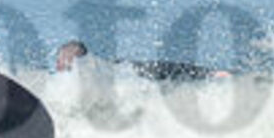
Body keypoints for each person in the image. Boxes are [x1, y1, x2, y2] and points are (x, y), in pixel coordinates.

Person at [55, 38, 225, 82]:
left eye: (63, 61)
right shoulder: (63, 85)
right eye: (60, 62)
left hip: (126, 71)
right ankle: (212, 73)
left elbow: (81, 50)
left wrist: (73, 50)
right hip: (122, 72)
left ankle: (212, 73)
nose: (60, 66)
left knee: (167, 70)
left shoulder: (89, 69)